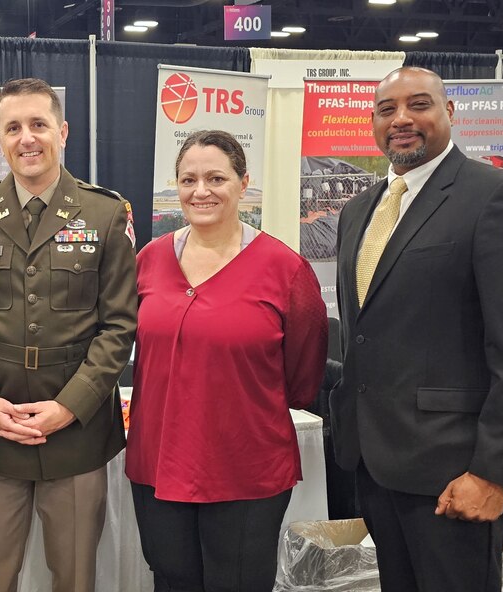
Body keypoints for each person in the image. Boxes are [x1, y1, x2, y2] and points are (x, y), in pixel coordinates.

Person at [330, 66, 503, 592]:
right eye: (387, 110)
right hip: (375, 463)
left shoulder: (498, 197)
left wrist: (492, 472)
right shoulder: (359, 211)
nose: (402, 119)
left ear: (449, 113)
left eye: (419, 105)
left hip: (455, 472)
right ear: (372, 122)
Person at [0, 77, 137, 592]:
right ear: (0, 138)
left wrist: (69, 406)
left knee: (74, 578)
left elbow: (119, 325)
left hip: (76, 436)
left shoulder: (105, 213)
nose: (26, 138)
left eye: (38, 125)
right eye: (13, 127)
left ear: (63, 131)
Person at [126, 130, 328, 592]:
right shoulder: (149, 260)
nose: (201, 191)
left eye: (216, 178)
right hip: (158, 461)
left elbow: (303, 376)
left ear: (243, 183)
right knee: (171, 578)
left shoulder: (285, 269)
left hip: (245, 465)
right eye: (188, 179)